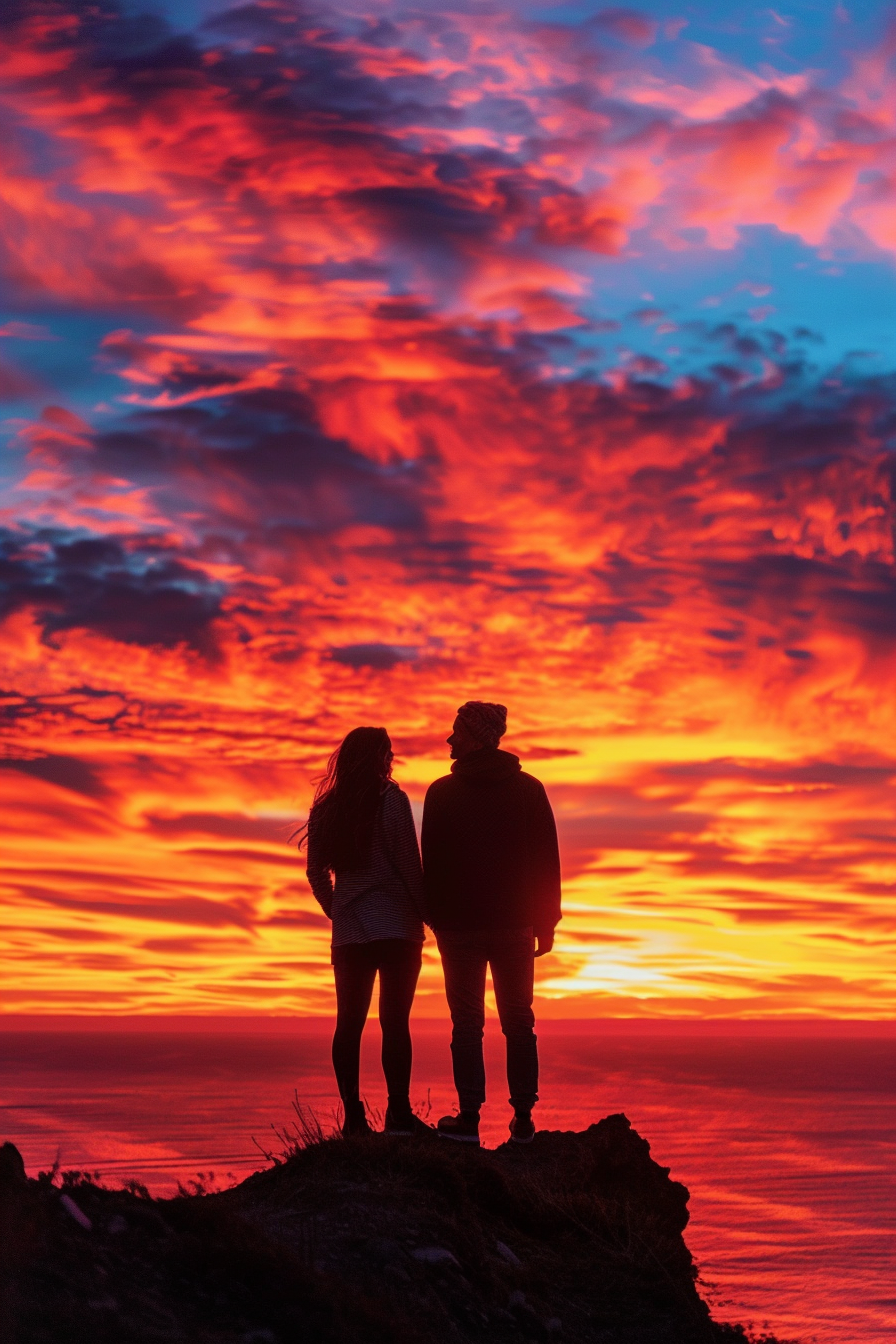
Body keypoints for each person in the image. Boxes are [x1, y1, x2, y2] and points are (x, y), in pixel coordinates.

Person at [422, 701, 561, 1147]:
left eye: (457, 730)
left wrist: (435, 918)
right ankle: (523, 1118)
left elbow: (432, 865)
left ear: (478, 736)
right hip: (514, 924)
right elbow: (546, 860)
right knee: (518, 1021)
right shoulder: (529, 789)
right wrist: (546, 920)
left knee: (467, 1024)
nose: (449, 738)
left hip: (460, 927)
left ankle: (468, 1116)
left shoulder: (441, 793)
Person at [300, 726, 428, 1137]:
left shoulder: (325, 809)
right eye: (387, 752)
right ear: (377, 756)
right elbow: (408, 864)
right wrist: (428, 915)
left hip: (351, 932)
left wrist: (338, 911)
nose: (391, 758)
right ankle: (399, 1115)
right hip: (397, 930)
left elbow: (315, 872)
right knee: (395, 1023)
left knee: (349, 1023)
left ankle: (354, 1117)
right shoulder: (391, 800)